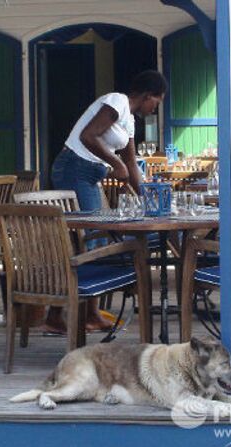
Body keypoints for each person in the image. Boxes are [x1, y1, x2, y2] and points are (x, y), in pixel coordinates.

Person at [46, 70, 168, 335]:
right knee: (90, 239)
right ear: (148, 95)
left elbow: (132, 165)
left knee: (93, 240)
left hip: (89, 175)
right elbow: (88, 136)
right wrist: (115, 163)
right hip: (74, 169)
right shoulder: (117, 101)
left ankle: (77, 314)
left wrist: (150, 200)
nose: (155, 108)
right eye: (156, 102)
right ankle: (77, 315)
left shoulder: (130, 122)